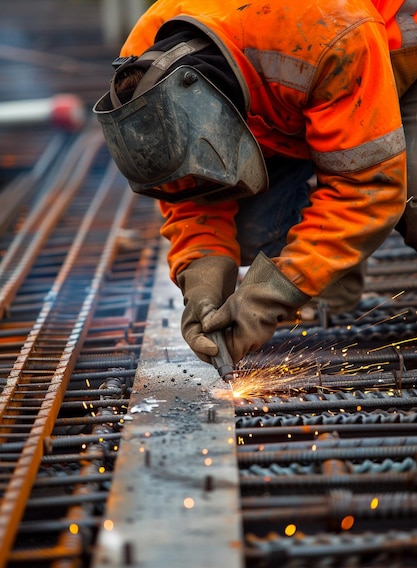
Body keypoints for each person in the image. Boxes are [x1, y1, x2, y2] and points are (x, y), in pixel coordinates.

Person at [94, 0, 417, 367]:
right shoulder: (143, 60)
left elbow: (368, 189)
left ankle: (324, 262)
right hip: (294, 98)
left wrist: (267, 297)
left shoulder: (331, 31)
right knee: (252, 231)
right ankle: (332, 280)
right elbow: (187, 183)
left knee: (407, 193)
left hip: (391, 60)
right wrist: (201, 269)